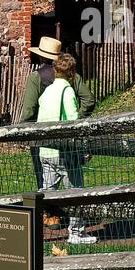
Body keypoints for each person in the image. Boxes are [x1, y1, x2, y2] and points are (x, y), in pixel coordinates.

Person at [19, 35, 95, 190]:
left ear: (40, 56)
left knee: (44, 183)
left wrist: (25, 132)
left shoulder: (36, 77)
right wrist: (77, 118)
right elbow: (89, 100)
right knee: (73, 187)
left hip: (42, 135)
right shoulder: (72, 77)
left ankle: (48, 213)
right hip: (67, 138)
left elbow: (28, 110)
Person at [37, 53, 96, 245]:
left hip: (45, 150)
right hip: (64, 152)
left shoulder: (47, 91)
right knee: (76, 193)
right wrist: (82, 148)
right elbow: (73, 124)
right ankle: (76, 233)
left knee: (46, 193)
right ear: (72, 72)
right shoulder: (68, 91)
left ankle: (34, 231)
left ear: (55, 70)